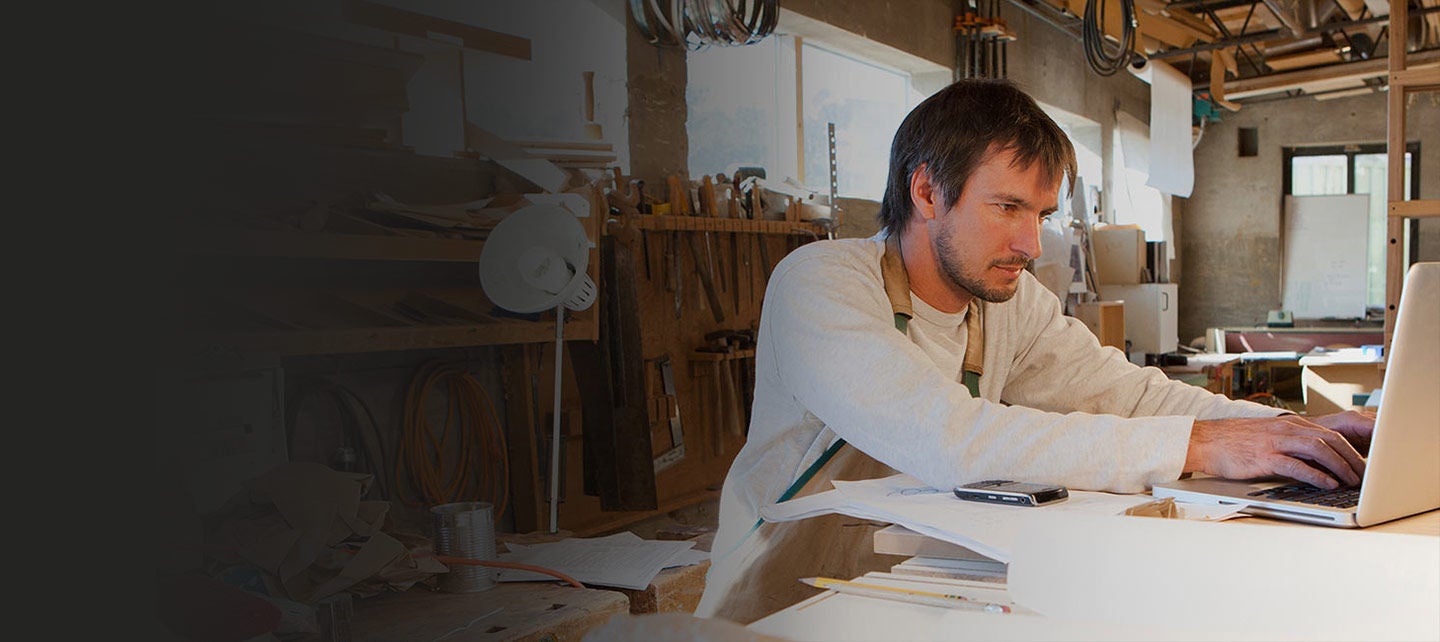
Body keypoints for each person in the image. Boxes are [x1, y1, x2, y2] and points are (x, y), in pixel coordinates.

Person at [695, 78, 1373, 621]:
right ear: (926, 190)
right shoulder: (822, 284)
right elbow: (948, 437)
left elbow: (1129, 394)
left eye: (1041, 215)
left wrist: (1284, 433)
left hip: (915, 587)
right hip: (783, 608)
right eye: (1007, 208)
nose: (1031, 244)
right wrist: (1197, 447)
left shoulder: (1008, 302)